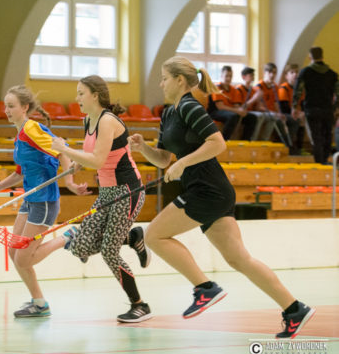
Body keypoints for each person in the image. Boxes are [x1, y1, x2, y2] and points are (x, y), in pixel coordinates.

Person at [128, 56, 315, 338]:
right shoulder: (168, 114)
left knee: (154, 236)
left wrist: (183, 163)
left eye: (164, 78)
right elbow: (164, 159)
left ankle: (205, 288)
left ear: (180, 80)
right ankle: (294, 309)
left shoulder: (190, 107)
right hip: (207, 191)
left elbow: (218, 143)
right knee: (240, 259)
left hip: (208, 190)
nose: (161, 84)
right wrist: (143, 148)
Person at [39, 75, 153, 323]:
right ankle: (132, 237)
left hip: (127, 191)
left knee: (109, 251)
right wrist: (76, 165)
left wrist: (65, 149)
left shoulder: (107, 121)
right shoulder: (88, 120)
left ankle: (139, 305)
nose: (77, 98)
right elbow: (90, 154)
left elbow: (99, 160)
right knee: (80, 248)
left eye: (81, 93)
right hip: (107, 192)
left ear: (95, 95)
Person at [0, 85, 88, 318]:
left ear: (25, 107)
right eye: (5, 106)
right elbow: (19, 173)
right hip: (30, 199)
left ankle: (68, 237)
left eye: (11, 106)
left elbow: (61, 150)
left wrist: (69, 182)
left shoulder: (31, 129)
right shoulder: (20, 135)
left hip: (44, 201)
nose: (6, 110)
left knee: (24, 258)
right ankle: (39, 303)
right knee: (14, 253)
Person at [293, 47, 339, 164]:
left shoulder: (305, 72)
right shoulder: (332, 74)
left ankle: (319, 163)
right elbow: (338, 93)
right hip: (327, 109)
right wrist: (335, 108)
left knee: (316, 136)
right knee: (327, 136)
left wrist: (294, 107)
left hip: (312, 108)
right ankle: (325, 160)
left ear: (310, 57)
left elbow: (298, 91)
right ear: (322, 56)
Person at [248, 63, 293, 147]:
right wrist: (274, 113)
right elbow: (259, 107)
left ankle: (268, 142)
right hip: (263, 112)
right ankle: (255, 141)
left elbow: (276, 103)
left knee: (285, 118)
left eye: (274, 73)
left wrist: (279, 113)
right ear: (265, 73)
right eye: (270, 72)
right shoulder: (259, 86)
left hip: (271, 113)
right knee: (272, 117)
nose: (272, 75)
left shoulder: (275, 86)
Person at [208, 66, 256, 141]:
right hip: (215, 112)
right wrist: (237, 111)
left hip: (230, 112)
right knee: (233, 116)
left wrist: (241, 111)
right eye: (226, 76)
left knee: (252, 117)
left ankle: (245, 141)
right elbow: (220, 106)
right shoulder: (217, 87)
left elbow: (236, 106)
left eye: (230, 76)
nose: (228, 78)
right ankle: (224, 140)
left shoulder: (234, 89)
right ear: (221, 76)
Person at [278, 64, 306, 155]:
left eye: (296, 72)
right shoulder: (284, 88)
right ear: (286, 76)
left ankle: (300, 148)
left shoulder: (300, 89)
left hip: (296, 113)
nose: (295, 74)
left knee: (305, 118)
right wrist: (298, 113)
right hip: (286, 113)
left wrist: (303, 113)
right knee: (295, 119)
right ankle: (290, 147)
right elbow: (284, 108)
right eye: (292, 72)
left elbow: (303, 104)